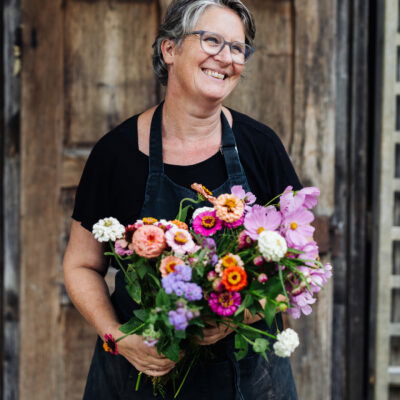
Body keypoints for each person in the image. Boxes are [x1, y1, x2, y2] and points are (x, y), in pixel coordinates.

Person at [63, 0, 301, 398]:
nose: (225, 58)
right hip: (138, 374)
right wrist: (120, 338)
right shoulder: (116, 154)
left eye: (237, 48)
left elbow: (296, 266)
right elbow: (81, 265)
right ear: (169, 49)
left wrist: (239, 314)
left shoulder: (260, 147)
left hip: (246, 379)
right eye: (211, 41)